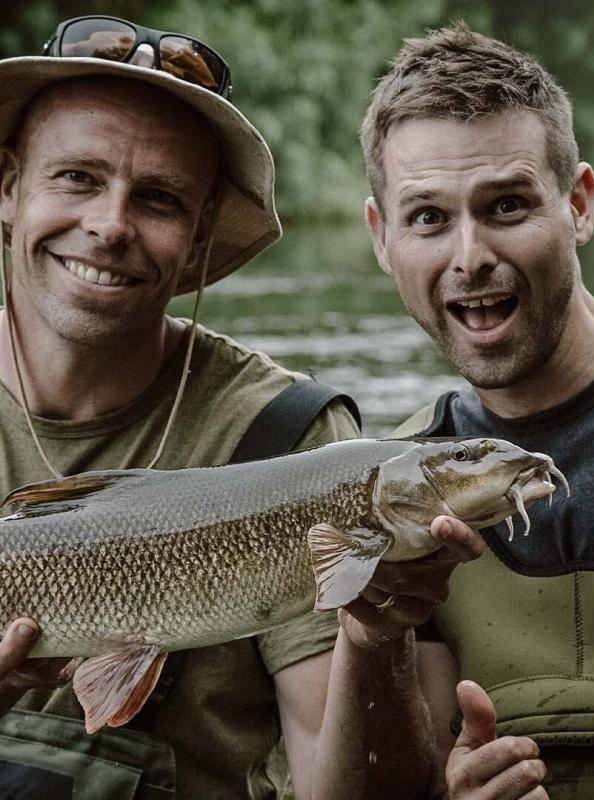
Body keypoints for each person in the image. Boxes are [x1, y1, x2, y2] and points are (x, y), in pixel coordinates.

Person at [0, 14, 478, 800]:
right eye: (78, 178)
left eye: (157, 198)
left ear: (198, 235)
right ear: (11, 187)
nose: (110, 225)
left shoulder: (295, 442)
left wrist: (374, 637)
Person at [362, 20, 594, 800]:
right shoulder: (389, 487)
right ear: (382, 237)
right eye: (428, 217)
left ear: (579, 206)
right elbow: (410, 773)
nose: (469, 258)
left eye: (505, 206)